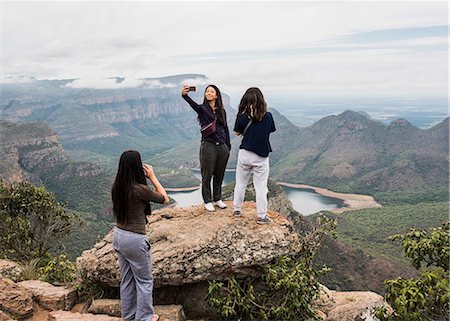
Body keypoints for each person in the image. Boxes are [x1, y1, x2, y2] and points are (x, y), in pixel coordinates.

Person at [111, 150, 169, 321]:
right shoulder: (139, 189)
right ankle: (144, 317)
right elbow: (164, 199)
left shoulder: (117, 186)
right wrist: (152, 176)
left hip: (119, 235)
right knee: (144, 281)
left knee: (127, 280)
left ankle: (128, 316)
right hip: (134, 239)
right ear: (137, 166)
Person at [181, 84, 231, 212]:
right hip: (208, 145)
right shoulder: (202, 109)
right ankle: (207, 201)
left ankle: (217, 199)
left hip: (222, 147)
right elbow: (194, 105)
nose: (208, 93)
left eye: (211, 91)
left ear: (216, 95)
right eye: (207, 91)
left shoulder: (222, 111)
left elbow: (225, 129)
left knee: (219, 174)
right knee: (207, 174)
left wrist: (228, 146)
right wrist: (185, 96)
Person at [232, 87, 276, 224]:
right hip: (261, 157)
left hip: (245, 154)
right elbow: (271, 130)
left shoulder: (241, 116)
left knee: (240, 183)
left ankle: (236, 209)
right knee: (261, 187)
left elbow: (237, 133)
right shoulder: (268, 116)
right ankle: (262, 216)